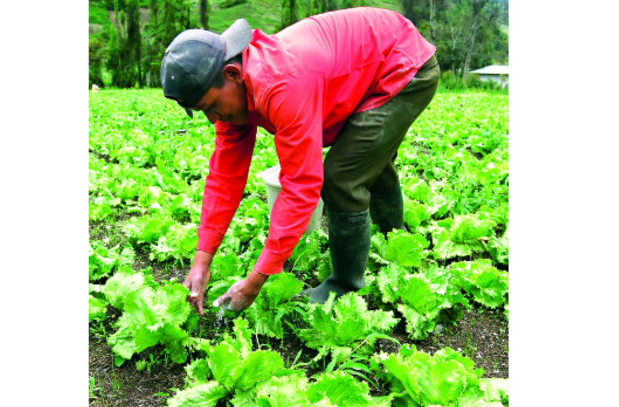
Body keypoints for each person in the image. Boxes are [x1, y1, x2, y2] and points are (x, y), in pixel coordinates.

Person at [160, 7, 439, 315]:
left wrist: (256, 279)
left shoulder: (282, 83)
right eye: (203, 112)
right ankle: (396, 240)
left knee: (343, 176)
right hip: (366, 67)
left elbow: (301, 185)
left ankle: (346, 284)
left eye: (210, 106)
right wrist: (202, 259)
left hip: (402, 65)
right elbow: (225, 178)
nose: (213, 119)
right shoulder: (233, 86)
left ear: (232, 74)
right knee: (364, 158)